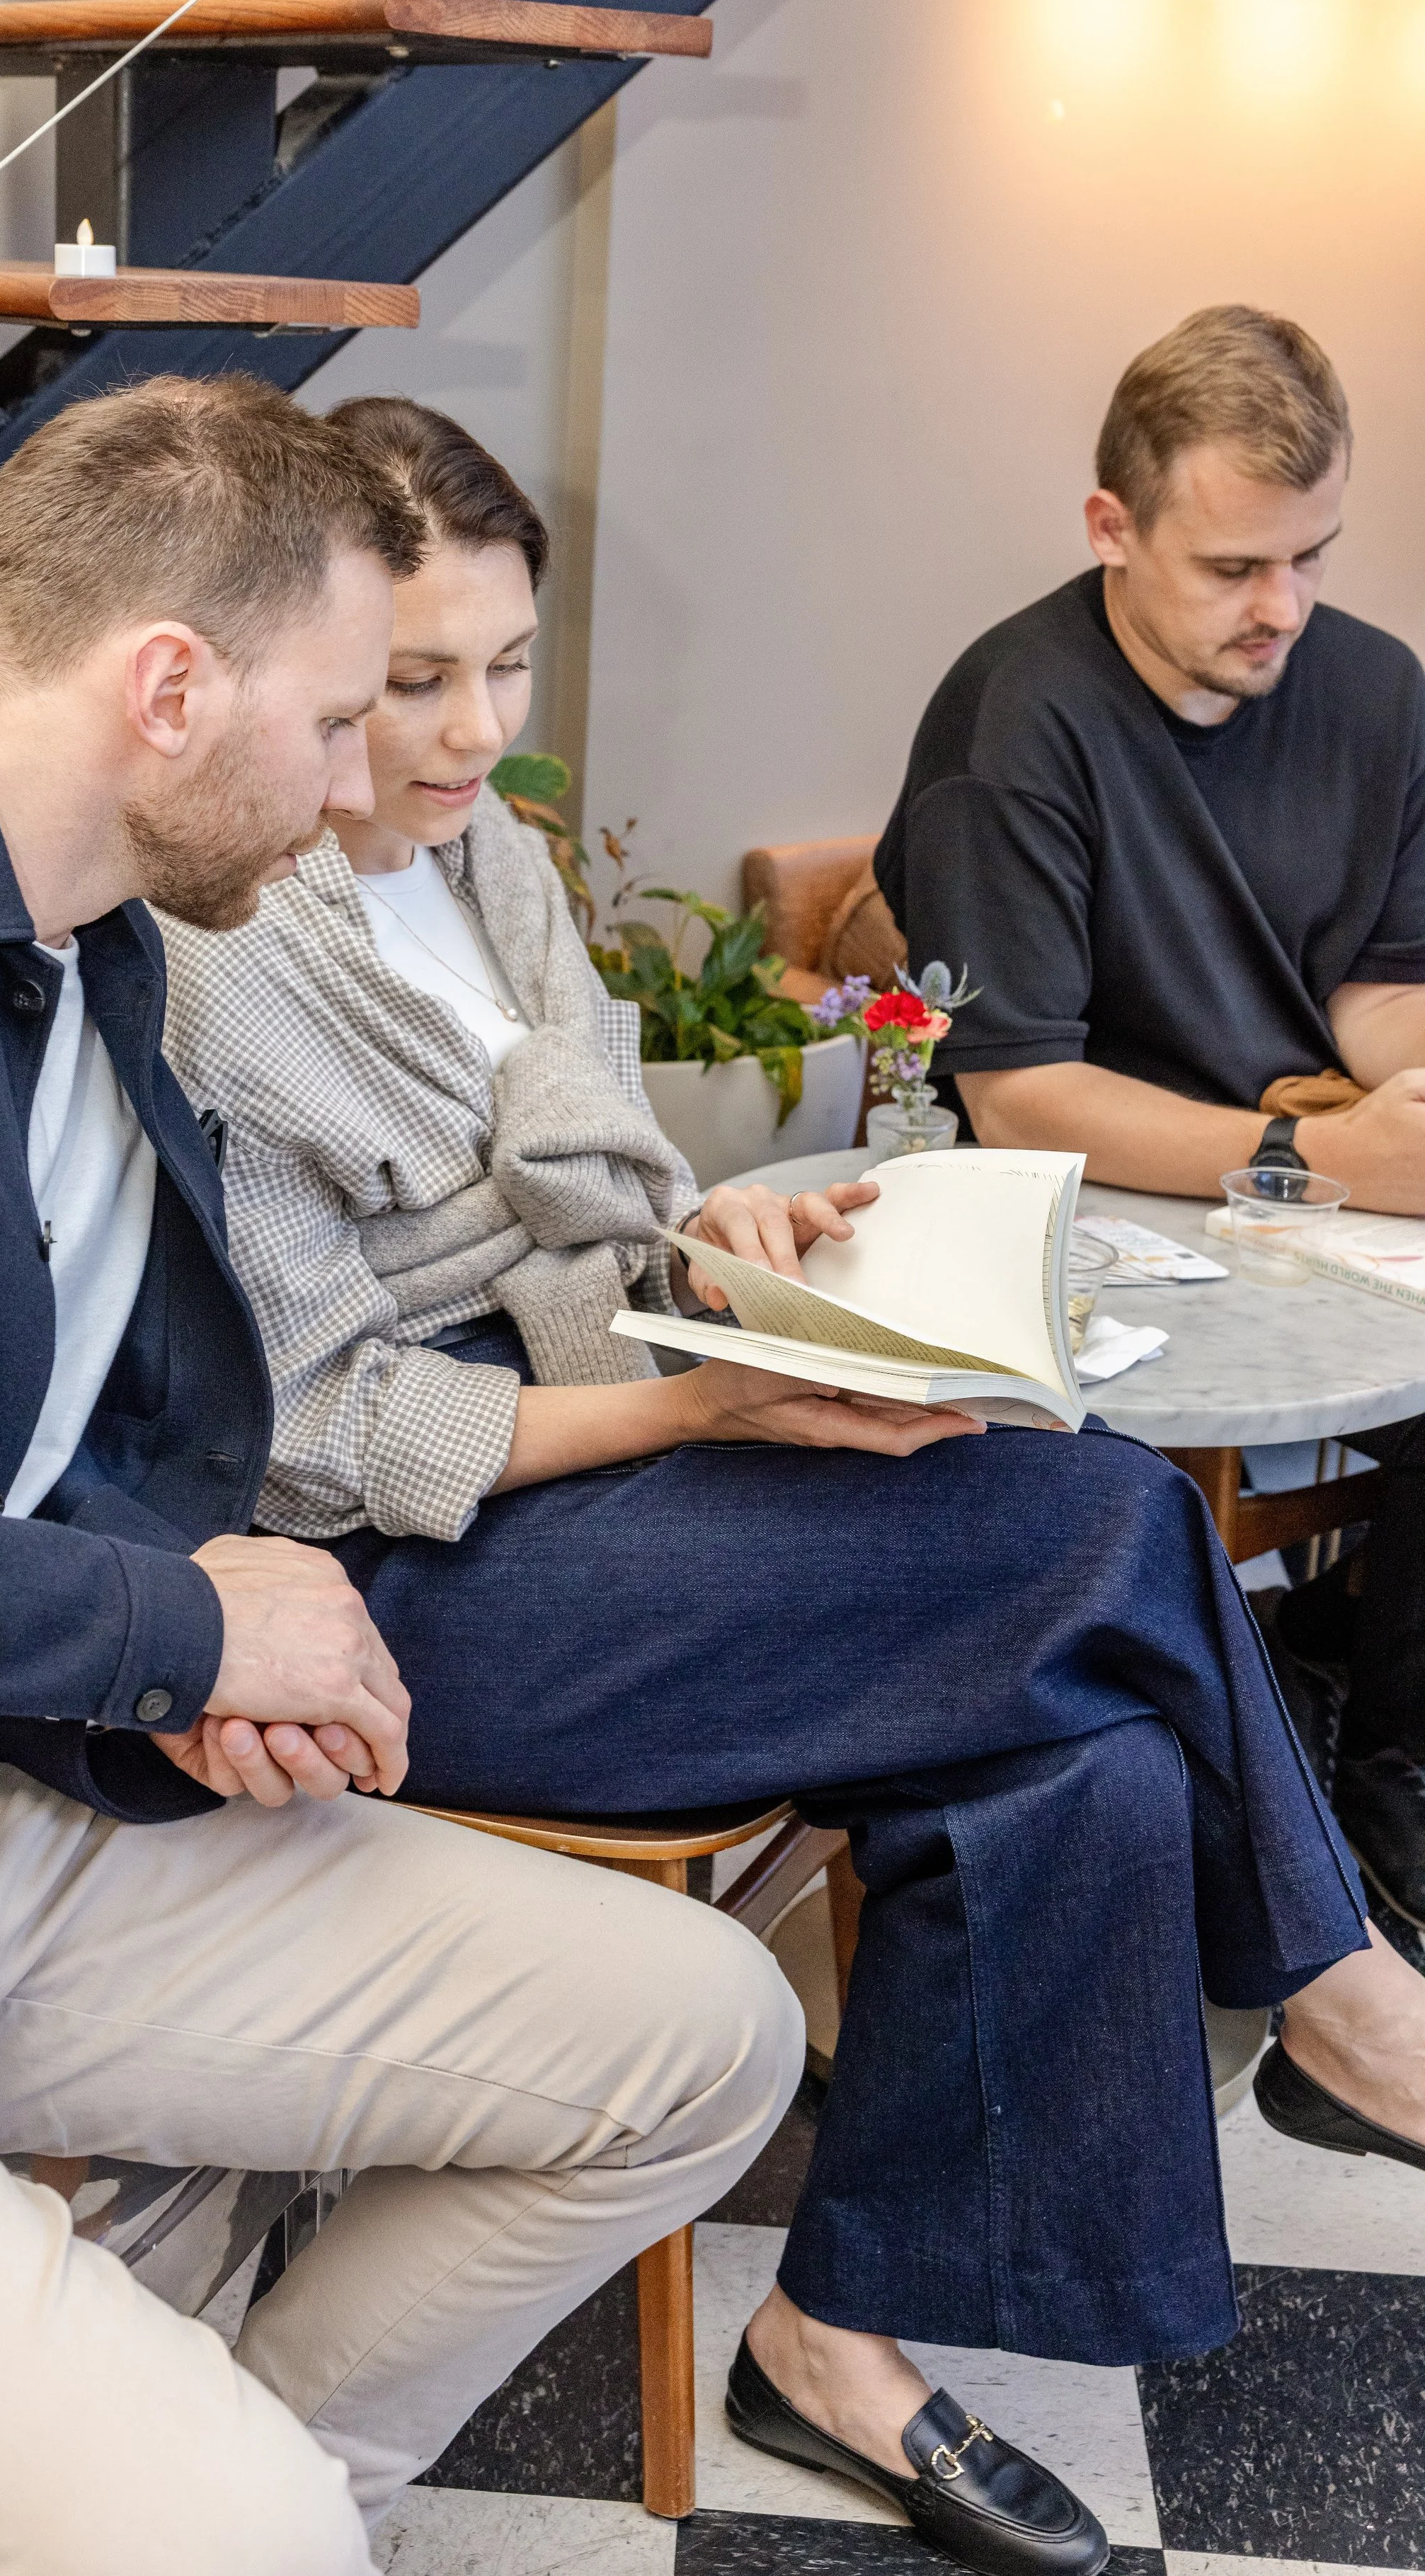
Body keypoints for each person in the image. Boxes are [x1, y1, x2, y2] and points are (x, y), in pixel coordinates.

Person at [161, 394, 1425, 2576]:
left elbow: (576, 1213)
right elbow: (320, 1427)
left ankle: (834, 2333)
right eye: (410, 682)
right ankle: (1343, 2002)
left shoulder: (484, 857)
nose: (469, 734)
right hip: (397, 1577)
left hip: (603, 1428)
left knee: (1098, 1753)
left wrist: (703, 1258)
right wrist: (691, 1409)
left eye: (506, 664)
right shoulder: (212, 951)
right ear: (301, 651)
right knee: (1112, 1523)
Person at [0, 375, 808, 2576]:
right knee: (228, 2539)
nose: (370, 780)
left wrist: (179, 1642)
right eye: (332, 719)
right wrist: (179, 1617)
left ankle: (238, 2498)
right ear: (169, 688)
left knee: (702, 2035)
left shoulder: (92, 962)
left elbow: (0, 1450)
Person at [874, 303, 1425, 1931]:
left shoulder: (1375, 691)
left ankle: (1364, 1732)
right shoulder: (1014, 720)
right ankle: (1333, 1757)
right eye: (1235, 568)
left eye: (1311, 556)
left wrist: (1404, 1085)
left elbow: (1373, 980)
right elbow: (1018, 1087)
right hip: (1103, 1205)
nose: (1285, 611)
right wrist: (1321, 1159)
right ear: (1110, 527)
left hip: (1307, 1176)